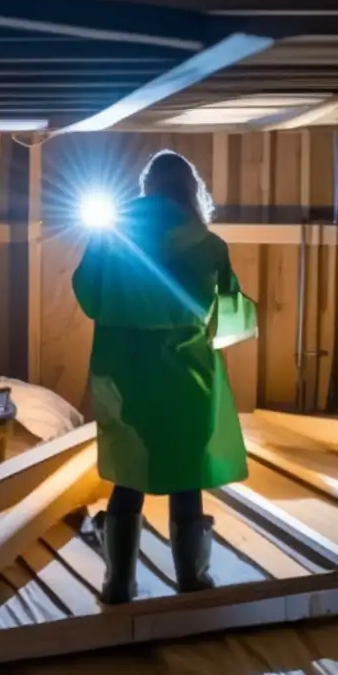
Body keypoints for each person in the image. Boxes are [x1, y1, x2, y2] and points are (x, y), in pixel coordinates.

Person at [72, 150, 258, 605]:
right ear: (190, 190)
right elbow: (228, 315)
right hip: (186, 376)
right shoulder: (208, 245)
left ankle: (119, 584)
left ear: (147, 188)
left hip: (124, 374)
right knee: (185, 474)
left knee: (128, 474)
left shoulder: (112, 237)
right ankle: (192, 581)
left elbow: (89, 297)